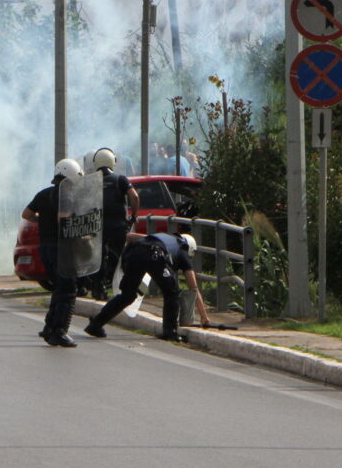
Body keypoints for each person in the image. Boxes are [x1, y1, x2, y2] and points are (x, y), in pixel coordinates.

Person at [85, 232, 210, 342]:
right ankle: (170, 332)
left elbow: (129, 236)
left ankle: (96, 324)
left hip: (134, 254)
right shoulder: (182, 249)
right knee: (172, 293)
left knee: (127, 295)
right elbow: (194, 288)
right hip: (154, 255)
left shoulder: (162, 237)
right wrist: (204, 317)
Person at [22, 159, 84, 347]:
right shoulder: (67, 195)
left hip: (46, 247)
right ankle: (59, 331)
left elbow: (26, 214)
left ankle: (49, 327)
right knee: (68, 290)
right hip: (62, 248)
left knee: (58, 287)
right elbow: (63, 219)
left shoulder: (44, 194)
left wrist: (42, 220)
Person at [90, 147, 140, 300]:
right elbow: (135, 197)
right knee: (117, 256)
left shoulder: (92, 181)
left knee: (98, 256)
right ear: (113, 161)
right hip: (118, 225)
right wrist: (134, 215)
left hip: (97, 225)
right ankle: (110, 284)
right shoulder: (121, 179)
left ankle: (97, 287)